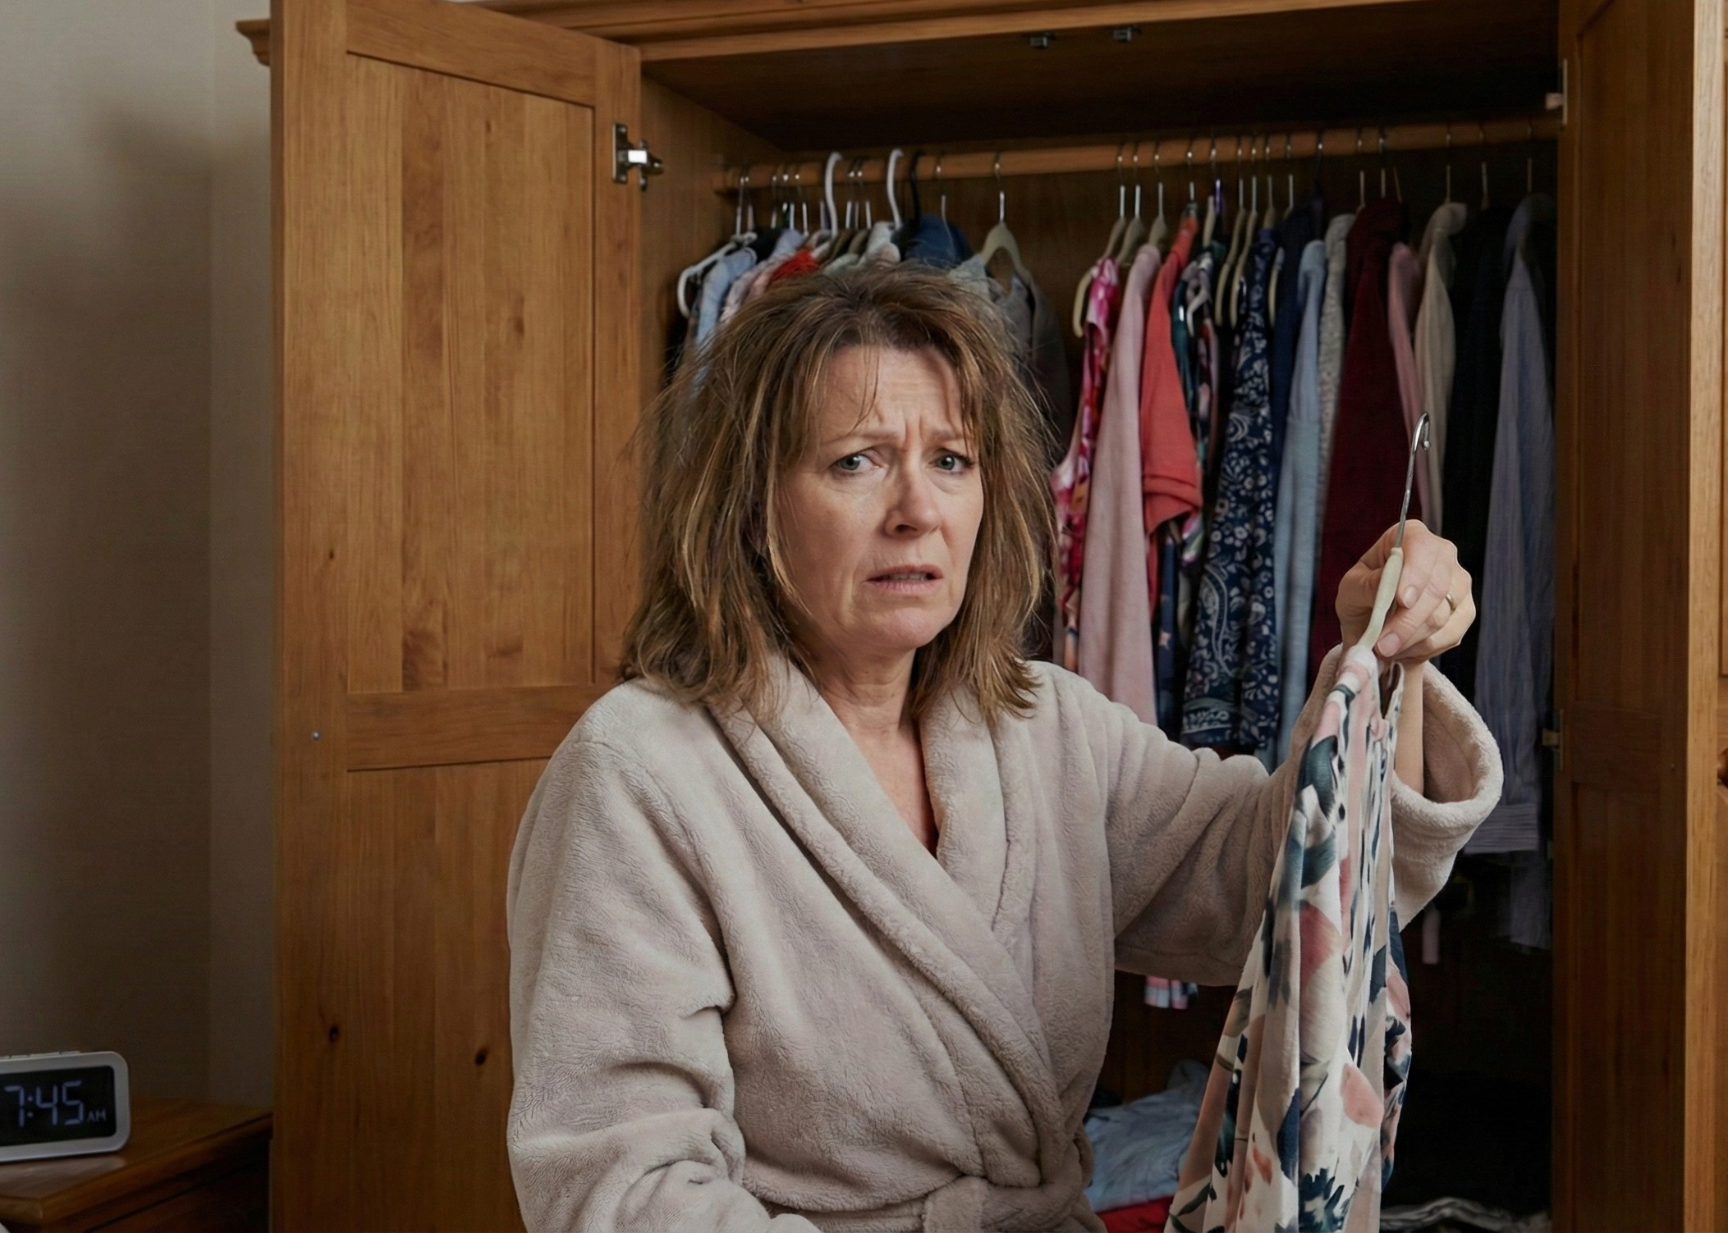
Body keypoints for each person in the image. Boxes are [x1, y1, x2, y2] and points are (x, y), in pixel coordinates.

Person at [505, 265, 1498, 1231]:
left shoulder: (1042, 730)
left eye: (950, 460)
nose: (916, 510)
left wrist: (1388, 658)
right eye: (854, 461)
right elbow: (620, 1186)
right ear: (750, 507)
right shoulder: (640, 773)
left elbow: (1285, 886)